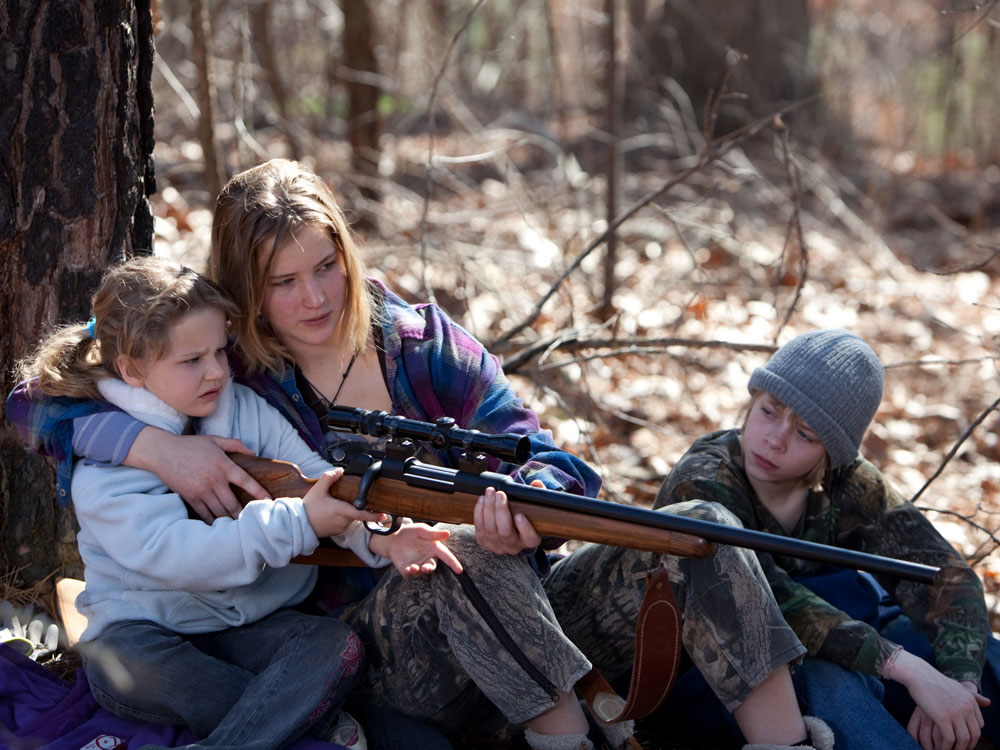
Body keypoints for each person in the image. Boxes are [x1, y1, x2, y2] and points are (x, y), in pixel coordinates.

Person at [8, 159, 833, 750]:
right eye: (283, 282)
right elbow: (31, 401)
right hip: (388, 653)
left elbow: (553, 463)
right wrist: (152, 446)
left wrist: (524, 511)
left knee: (701, 527)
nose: (314, 297)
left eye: (327, 266)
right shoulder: (232, 372)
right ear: (244, 292)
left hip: (535, 623)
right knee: (457, 555)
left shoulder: (425, 346)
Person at [14, 256, 465, 750]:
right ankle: (307, 723)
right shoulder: (106, 465)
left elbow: (319, 483)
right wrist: (298, 523)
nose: (215, 372)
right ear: (132, 369)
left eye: (219, 351)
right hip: (147, 629)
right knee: (129, 666)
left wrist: (382, 538)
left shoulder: (246, 410)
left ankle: (277, 725)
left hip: (253, 626)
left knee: (332, 645)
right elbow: (177, 557)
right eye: (191, 361)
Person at [653, 328, 998, 750]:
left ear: (832, 451)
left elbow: (947, 576)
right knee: (830, 677)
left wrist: (958, 685)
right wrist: (908, 669)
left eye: (805, 434)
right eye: (768, 411)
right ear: (753, 399)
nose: (775, 440)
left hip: (846, 638)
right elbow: (773, 603)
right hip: (731, 678)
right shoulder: (703, 481)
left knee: (980, 655)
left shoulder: (848, 481)